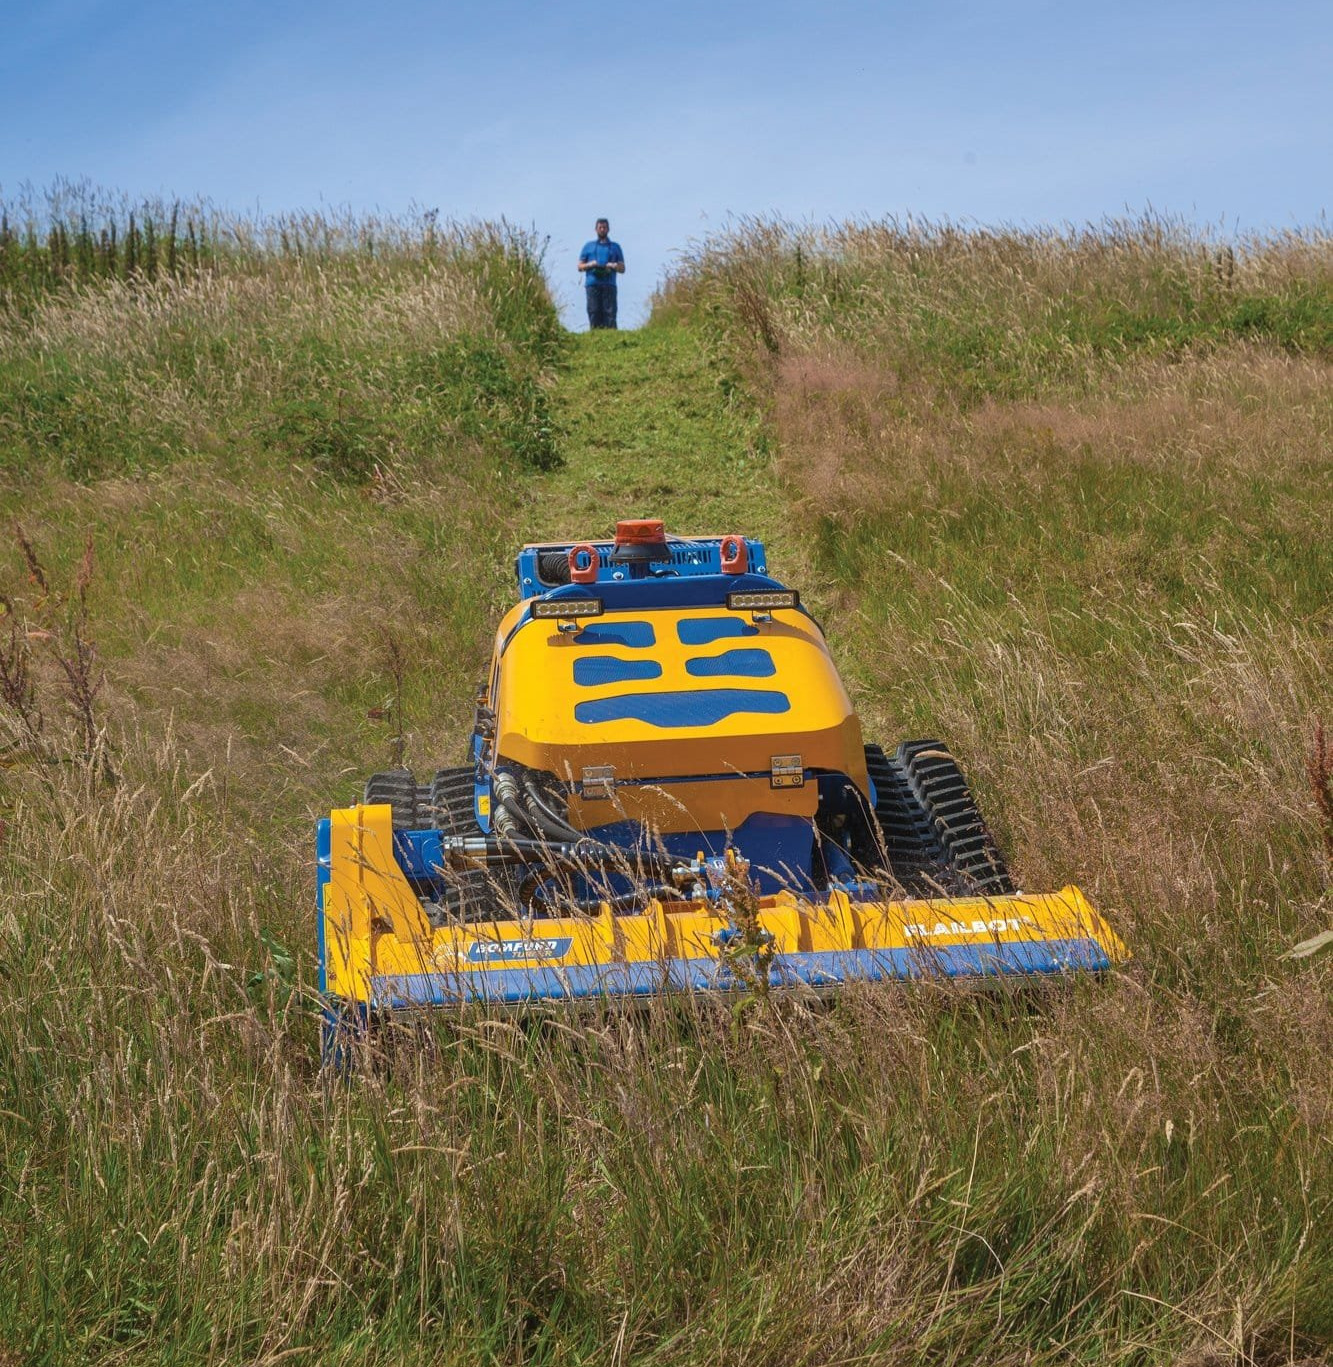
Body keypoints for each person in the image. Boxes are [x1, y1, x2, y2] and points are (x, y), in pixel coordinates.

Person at [578, 218, 625, 329]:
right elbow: (580, 266)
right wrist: (591, 265)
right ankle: (595, 338)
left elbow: (622, 268)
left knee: (610, 313)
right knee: (594, 312)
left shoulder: (615, 247)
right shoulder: (588, 246)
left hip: (609, 285)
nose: (602, 230)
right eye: (600, 227)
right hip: (592, 284)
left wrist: (613, 266)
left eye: (604, 227)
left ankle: (612, 338)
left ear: (608, 229)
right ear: (596, 229)